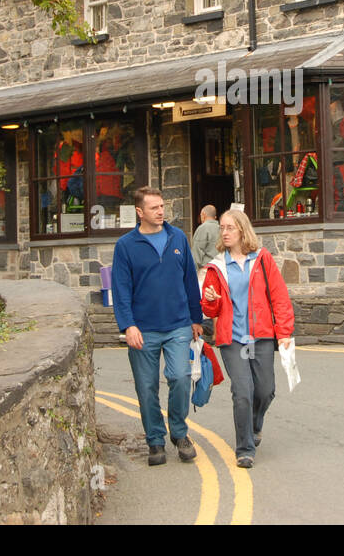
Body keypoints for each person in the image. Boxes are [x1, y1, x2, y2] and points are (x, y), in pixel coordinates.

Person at [110, 186, 204, 466]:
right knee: (146, 387)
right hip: (143, 329)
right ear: (140, 212)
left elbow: (190, 280)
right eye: (154, 208)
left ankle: (179, 432)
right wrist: (128, 325)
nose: (161, 211)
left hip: (177, 324)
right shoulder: (125, 246)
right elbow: (121, 289)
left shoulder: (177, 238)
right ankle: (155, 440)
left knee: (179, 377)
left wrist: (196, 318)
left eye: (162, 206)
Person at [200, 209, 295, 468]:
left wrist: (284, 331)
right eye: (222, 228)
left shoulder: (262, 259)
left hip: (261, 336)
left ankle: (254, 426)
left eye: (230, 227)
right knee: (242, 391)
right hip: (232, 339)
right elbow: (210, 310)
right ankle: (245, 448)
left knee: (265, 390)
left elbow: (279, 298)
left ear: (242, 229)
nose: (225, 232)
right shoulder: (216, 266)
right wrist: (209, 301)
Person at [191, 204, 219, 286]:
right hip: (220, 270)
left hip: (206, 271)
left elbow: (197, 254)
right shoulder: (222, 228)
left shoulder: (202, 228)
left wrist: (192, 274)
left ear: (203, 215)